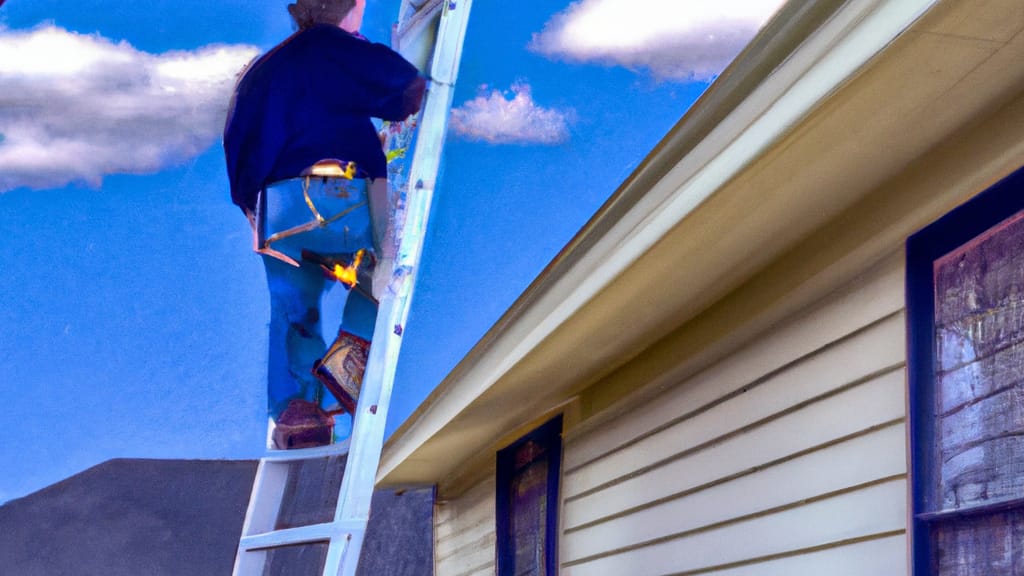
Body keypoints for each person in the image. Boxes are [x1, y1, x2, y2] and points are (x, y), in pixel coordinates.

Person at [224, 0, 426, 449]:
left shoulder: (261, 70)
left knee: (293, 307)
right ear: (353, 6)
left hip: (275, 208)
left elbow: (236, 140)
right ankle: (346, 361)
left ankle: (297, 409)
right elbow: (406, 91)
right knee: (384, 277)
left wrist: (249, 207)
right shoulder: (336, 47)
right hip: (339, 197)